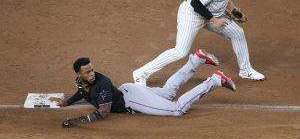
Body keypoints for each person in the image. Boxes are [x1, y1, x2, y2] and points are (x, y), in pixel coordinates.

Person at [133, 0, 265, 86]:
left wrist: (234, 10)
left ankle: (246, 70)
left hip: (211, 14)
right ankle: (141, 73)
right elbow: (195, 3)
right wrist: (214, 20)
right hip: (192, 15)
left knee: (237, 33)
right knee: (180, 52)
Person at [49, 49, 236, 128]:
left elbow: (103, 113)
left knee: (177, 109)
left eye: (91, 70)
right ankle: (196, 59)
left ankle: (214, 81)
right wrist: (66, 102)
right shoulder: (82, 82)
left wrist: (75, 121)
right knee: (167, 93)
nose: (91, 74)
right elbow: (81, 91)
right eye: (87, 72)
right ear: (79, 75)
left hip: (132, 99)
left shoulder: (102, 83)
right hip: (129, 90)